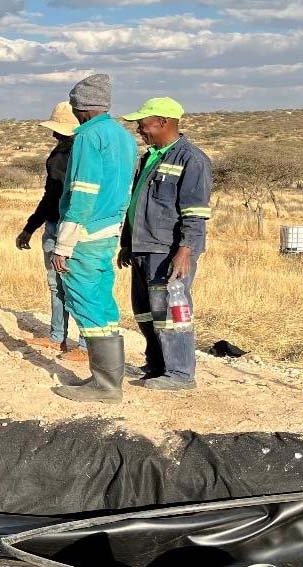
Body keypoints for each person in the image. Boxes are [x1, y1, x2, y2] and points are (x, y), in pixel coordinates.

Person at [49, 74, 137, 404]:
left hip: (84, 234)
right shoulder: (123, 136)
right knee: (102, 300)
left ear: (80, 108)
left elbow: (83, 194)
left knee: (85, 300)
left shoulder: (88, 136)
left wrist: (64, 244)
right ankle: (108, 379)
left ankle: (105, 385)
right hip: (108, 230)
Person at [119, 98, 212, 390]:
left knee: (170, 312)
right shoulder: (150, 157)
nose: (139, 129)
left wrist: (185, 251)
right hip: (143, 247)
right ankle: (157, 365)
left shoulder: (191, 159)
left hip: (168, 251)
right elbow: (137, 204)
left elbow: (195, 213)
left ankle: (180, 373)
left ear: (163, 122)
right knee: (146, 311)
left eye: (143, 124)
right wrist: (127, 243)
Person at [15, 101, 87, 362]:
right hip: (55, 225)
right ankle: (58, 337)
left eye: (59, 130)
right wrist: (30, 227)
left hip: (75, 229)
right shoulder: (59, 154)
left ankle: (86, 345)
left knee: (77, 286)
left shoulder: (84, 157)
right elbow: (50, 196)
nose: (54, 134)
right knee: (57, 285)